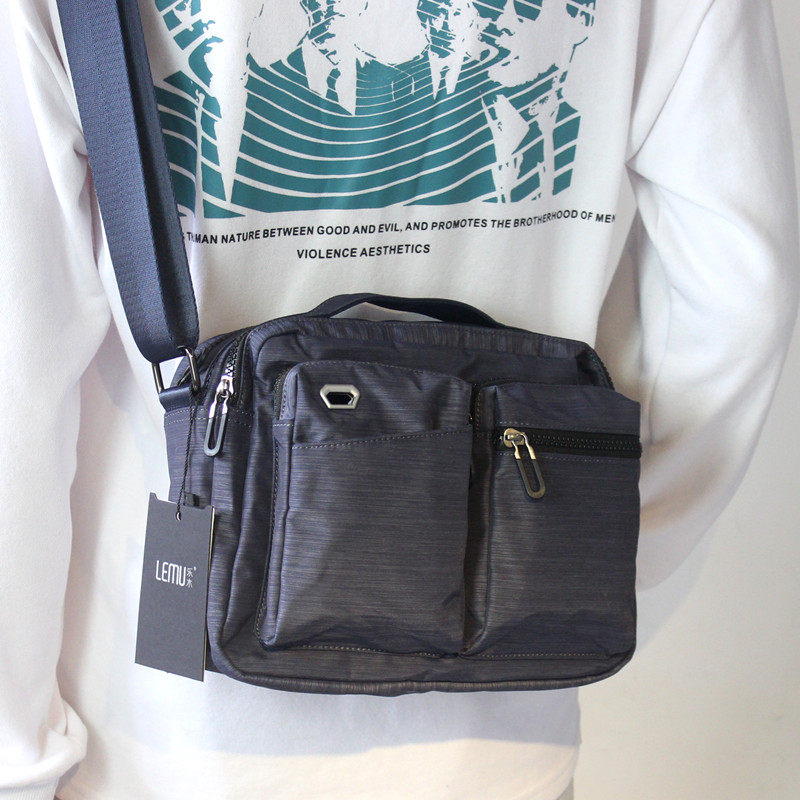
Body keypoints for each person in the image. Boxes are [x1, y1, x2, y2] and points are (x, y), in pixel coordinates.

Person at [1, 1, 798, 799]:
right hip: (503, 737)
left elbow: (18, 372)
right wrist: (567, 566)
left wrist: (19, 759)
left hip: (163, 734)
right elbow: (742, 299)